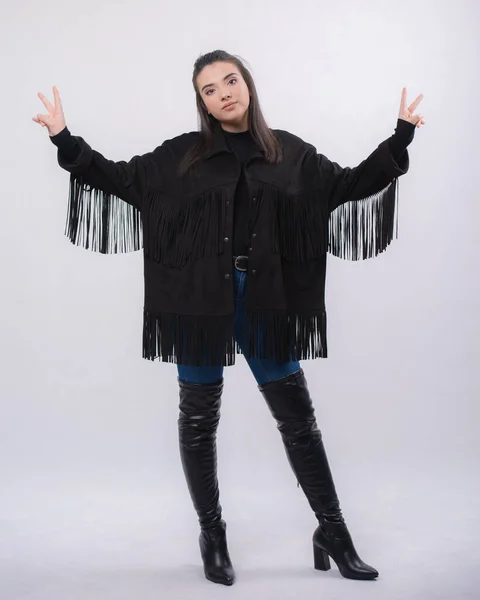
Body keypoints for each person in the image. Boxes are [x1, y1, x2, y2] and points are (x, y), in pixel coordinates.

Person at [33, 49, 425, 587]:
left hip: (266, 299)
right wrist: (65, 139)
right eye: (210, 89)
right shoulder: (182, 156)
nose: (223, 93)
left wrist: (399, 137)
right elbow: (122, 180)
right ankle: (211, 535)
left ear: (247, 84)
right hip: (199, 303)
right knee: (198, 422)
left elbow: (347, 187)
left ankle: (333, 531)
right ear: (202, 102)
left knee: (298, 421)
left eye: (230, 81)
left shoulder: (291, 153)